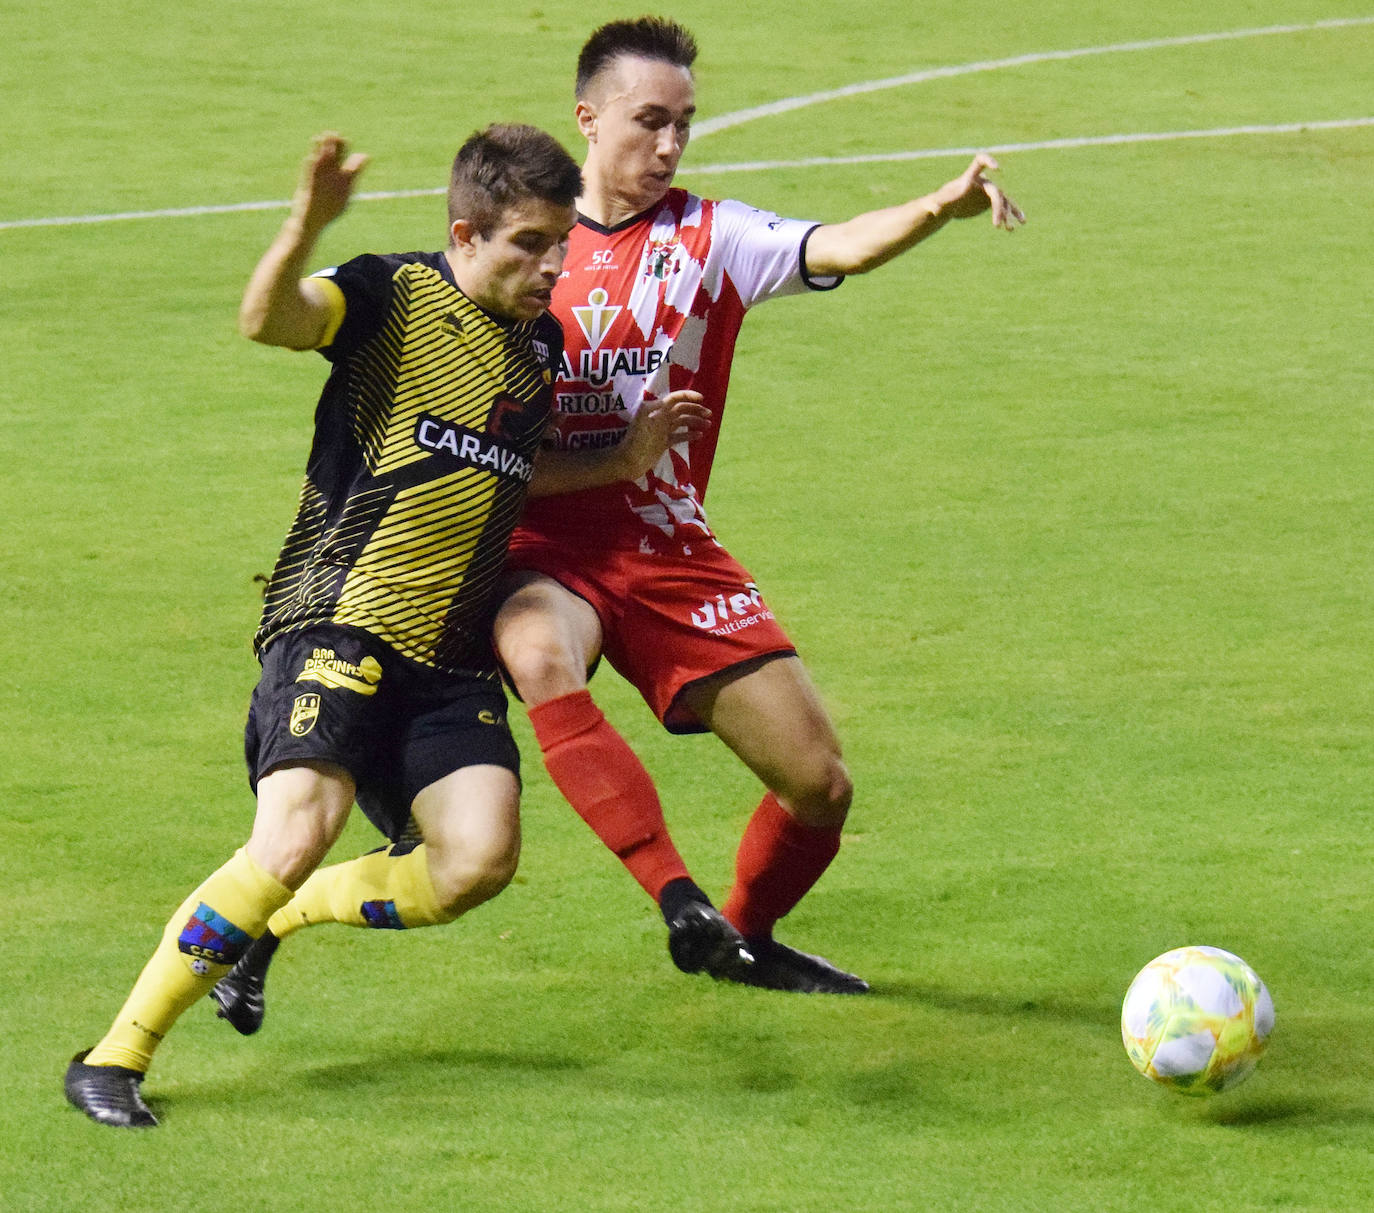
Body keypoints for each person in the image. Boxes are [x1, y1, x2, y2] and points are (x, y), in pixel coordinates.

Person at [211, 15, 1025, 1021]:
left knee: (820, 784)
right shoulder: (518, 249)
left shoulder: (710, 236)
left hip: (667, 542)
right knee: (542, 654)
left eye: (685, 123)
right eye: (650, 122)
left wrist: (941, 205)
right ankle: (676, 901)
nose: (671, 146)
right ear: (588, 118)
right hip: (538, 539)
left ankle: (741, 937)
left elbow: (839, 244)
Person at [64, 124, 707, 1129]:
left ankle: (272, 923)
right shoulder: (390, 298)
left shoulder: (538, 349)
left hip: (449, 658)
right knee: (294, 831)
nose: (554, 267)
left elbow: (508, 471)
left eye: (561, 246)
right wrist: (302, 226)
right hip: (340, 617)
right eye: (529, 245)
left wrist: (621, 462)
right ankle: (116, 1053)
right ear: (466, 231)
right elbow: (267, 319)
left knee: (475, 862)